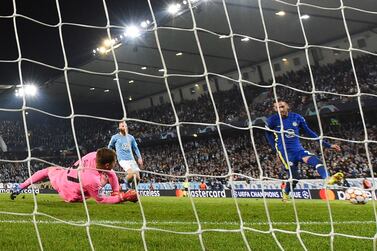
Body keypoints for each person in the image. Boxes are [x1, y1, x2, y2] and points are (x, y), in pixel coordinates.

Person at [265, 100, 343, 202]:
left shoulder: (297, 118)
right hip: (285, 153)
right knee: (295, 177)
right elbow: (268, 134)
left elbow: (310, 132)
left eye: (282, 106)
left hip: (298, 150)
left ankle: (327, 178)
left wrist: (328, 145)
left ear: (287, 106)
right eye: (277, 108)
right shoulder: (272, 120)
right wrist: (276, 150)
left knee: (316, 161)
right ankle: (286, 192)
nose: (280, 110)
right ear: (275, 109)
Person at [10, 148, 137, 204]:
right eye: (114, 162)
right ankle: (77, 195)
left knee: (49, 170)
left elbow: (111, 172)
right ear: (108, 164)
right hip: (69, 191)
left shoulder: (94, 155)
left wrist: (115, 191)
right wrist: (122, 197)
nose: (116, 164)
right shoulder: (92, 180)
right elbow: (102, 200)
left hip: (66, 175)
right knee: (102, 181)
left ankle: (20, 186)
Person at [108, 121, 143, 189]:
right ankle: (125, 180)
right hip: (123, 159)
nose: (125, 127)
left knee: (138, 178)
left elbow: (135, 148)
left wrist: (139, 157)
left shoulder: (131, 137)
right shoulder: (115, 137)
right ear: (119, 128)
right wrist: (111, 155)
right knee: (131, 174)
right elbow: (109, 147)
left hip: (132, 159)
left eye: (126, 126)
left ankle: (132, 191)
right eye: (123, 126)